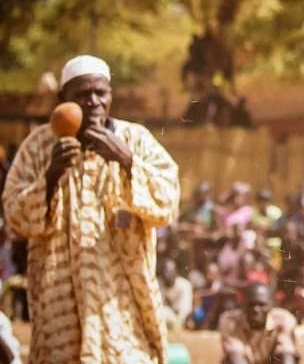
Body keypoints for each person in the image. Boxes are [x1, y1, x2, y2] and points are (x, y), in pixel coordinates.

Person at [3, 54, 180, 362]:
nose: (94, 102)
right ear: (63, 100)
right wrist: (50, 177)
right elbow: (15, 217)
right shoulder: (38, 147)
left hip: (122, 309)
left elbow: (167, 204)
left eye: (102, 92)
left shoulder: (135, 140)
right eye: (83, 95)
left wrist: (126, 160)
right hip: (60, 313)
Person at [219, 282, 298, 364]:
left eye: (261, 305)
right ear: (243, 305)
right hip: (243, 360)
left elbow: (286, 350)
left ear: (271, 306)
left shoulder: (283, 319)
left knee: (287, 355)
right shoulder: (231, 321)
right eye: (251, 304)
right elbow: (236, 354)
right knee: (232, 357)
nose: (256, 309)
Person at [158, 258, 194, 332]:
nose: (166, 274)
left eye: (168, 271)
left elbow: (184, 312)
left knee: (164, 312)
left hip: (178, 321)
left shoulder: (184, 285)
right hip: (161, 320)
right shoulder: (158, 284)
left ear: (175, 272)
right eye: (164, 271)